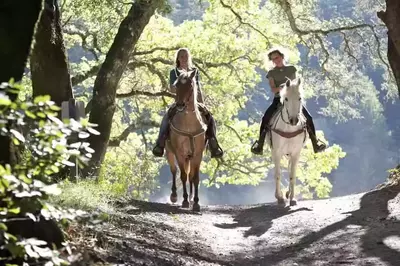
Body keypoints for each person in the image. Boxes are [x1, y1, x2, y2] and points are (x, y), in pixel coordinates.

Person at [251, 47, 327, 155]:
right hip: (279, 99)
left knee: (308, 117)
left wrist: (291, 90)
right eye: (273, 59)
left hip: (292, 99)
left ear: (282, 57)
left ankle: (315, 143)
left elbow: (295, 85)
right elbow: (273, 89)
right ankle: (260, 144)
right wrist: (282, 88)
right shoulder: (271, 73)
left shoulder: (291, 69)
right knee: (265, 118)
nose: (275, 61)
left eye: (276, 58)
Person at [152, 48, 224, 158]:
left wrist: (202, 103)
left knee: (210, 117)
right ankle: (160, 143)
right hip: (179, 102)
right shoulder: (174, 72)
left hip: (194, 102)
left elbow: (198, 88)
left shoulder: (194, 71)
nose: (184, 58)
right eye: (181, 56)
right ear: (178, 59)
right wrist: (183, 90)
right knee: (166, 117)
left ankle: (213, 143)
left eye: (186, 56)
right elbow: (171, 88)